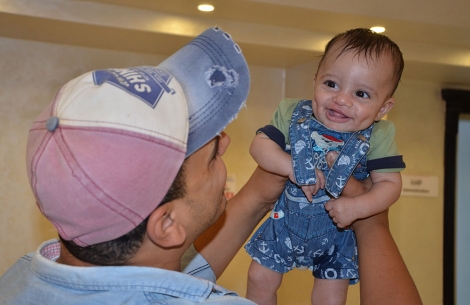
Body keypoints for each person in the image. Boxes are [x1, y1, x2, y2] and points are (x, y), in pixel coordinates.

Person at [0, 26, 422, 305]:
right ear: (167, 224)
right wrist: (371, 219)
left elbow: (178, 275)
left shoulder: (21, 279)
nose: (225, 140)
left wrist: (260, 191)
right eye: (208, 151)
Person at [245, 28, 406, 305]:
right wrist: (291, 167)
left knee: (330, 297)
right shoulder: (292, 112)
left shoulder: (379, 135)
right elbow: (259, 146)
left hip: (337, 231)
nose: (342, 99)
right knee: (259, 278)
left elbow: (390, 186)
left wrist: (357, 208)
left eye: (361, 94)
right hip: (284, 223)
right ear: (315, 80)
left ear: (382, 108)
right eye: (331, 84)